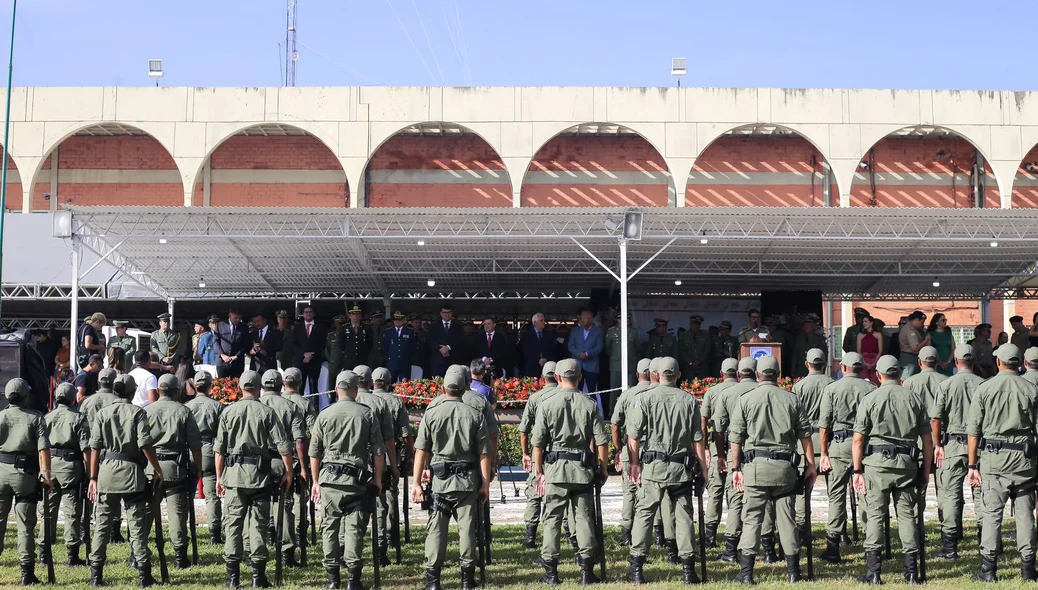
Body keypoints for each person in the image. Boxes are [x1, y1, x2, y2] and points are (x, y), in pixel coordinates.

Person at [728, 355, 817, 584]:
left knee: (752, 519)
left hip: (756, 469)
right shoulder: (791, 399)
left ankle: (746, 573)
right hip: (785, 468)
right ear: (778, 375)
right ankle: (794, 573)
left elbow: (735, 439)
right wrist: (810, 465)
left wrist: (736, 467)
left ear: (758, 374)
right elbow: (805, 435)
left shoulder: (746, 399)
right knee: (787, 520)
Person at [851, 355, 932, 585]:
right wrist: (925, 471)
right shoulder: (914, 398)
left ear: (878, 375)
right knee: (907, 515)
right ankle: (911, 573)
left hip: (877, 465)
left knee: (875, 514)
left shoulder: (871, 398)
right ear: (899, 374)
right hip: (906, 464)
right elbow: (927, 441)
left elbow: (858, 440)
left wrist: (857, 471)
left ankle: (874, 573)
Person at [626, 357, 706, 585]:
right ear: (678, 375)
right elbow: (697, 439)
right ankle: (689, 572)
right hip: (680, 468)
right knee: (683, 518)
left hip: (653, 468)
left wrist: (634, 462)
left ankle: (636, 569)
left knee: (644, 515)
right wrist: (703, 468)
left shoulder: (645, 398)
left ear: (657, 375)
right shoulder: (689, 401)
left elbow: (634, 436)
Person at [409, 365, 491, 590]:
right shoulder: (475, 414)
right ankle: (467, 580)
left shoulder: (432, 412)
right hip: (467, 481)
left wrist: (416, 483)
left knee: (436, 530)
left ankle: (433, 580)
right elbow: (484, 453)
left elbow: (421, 452)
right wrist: (485, 483)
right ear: (466, 387)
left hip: (440, 481)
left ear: (443, 387)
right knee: (467, 529)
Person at [214, 370, 294, 588]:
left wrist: (219, 477)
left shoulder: (228, 412)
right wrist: (289, 471)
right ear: (259, 388)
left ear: (240, 388)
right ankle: (258, 577)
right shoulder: (267, 412)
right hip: (259, 477)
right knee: (258, 525)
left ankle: (233, 578)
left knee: (233, 525)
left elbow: (219, 450)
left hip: (233, 477)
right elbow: (284, 446)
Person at [532, 358, 609, 585]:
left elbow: (538, 445)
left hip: (555, 470)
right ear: (580, 378)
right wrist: (603, 467)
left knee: (552, 519)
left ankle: (551, 574)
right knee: (584, 519)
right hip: (582, 470)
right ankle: (586, 571)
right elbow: (601, 442)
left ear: (557, 377)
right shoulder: (589, 403)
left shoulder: (546, 403)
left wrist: (540, 472)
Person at [966, 343, 1038, 582]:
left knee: (991, 515)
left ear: (999, 362)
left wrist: (972, 465)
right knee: (1026, 515)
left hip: (994, 461)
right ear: (1020, 363)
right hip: (1024, 460)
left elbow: (974, 431)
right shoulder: (1032, 389)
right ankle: (1028, 570)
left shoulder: (985, 388)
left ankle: (989, 571)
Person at [87, 370, 164, 587]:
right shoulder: (138, 413)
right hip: (131, 472)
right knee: (137, 526)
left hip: (106, 473)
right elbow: (145, 444)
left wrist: (92, 478)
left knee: (102, 525)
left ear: (113, 390)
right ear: (132, 392)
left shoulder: (102, 413)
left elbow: (95, 448)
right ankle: (144, 576)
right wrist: (157, 468)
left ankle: (96, 576)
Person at [309, 369, 385, 590]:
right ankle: (353, 579)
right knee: (354, 528)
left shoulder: (325, 414)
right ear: (355, 390)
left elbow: (315, 452)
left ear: (335, 389)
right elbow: (378, 451)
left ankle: (332, 579)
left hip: (330, 480)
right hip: (356, 482)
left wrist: (315, 481)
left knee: (330, 527)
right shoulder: (367, 414)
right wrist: (378, 479)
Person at [818, 352, 876, 564]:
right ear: (862, 368)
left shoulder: (832, 389)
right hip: (865, 445)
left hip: (840, 446)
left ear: (843, 368)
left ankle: (833, 546)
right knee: (866, 494)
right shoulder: (871, 389)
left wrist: (824, 453)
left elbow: (824, 426)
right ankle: (872, 542)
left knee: (836, 495)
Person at [929, 344, 984, 561]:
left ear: (955, 361)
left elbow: (936, 418)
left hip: (952, 444)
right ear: (974, 361)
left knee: (950, 495)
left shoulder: (946, 385)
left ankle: (950, 548)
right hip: (978, 446)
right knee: (981, 496)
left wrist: (938, 445)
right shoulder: (984, 384)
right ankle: (986, 543)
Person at [145, 374, 203, 570]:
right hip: (176, 467)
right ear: (176, 390)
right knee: (177, 513)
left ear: (159, 390)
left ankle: (139, 553)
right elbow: (195, 445)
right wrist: (197, 470)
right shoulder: (184, 411)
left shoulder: (146, 411)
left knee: (145, 514)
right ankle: (180, 556)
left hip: (151, 468)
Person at [0, 378, 51, 585]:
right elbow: (43, 450)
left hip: (1, 473)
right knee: (25, 525)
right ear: (25, 396)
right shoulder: (36, 418)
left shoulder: (1, 416)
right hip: (25, 475)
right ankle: (26, 572)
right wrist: (47, 476)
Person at [258, 370, 308, 568]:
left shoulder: (255, 405)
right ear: (281, 386)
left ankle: (257, 546)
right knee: (285, 506)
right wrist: (303, 467)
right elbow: (299, 440)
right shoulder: (291, 406)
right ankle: (287, 552)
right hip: (282, 460)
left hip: (257, 462)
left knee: (257, 504)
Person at [713, 356, 759, 564]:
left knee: (736, 500)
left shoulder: (726, 393)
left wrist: (722, 455)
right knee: (763, 501)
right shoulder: (765, 392)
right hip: (760, 452)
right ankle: (767, 549)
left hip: (737, 452)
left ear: (739, 374)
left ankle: (731, 550)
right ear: (756, 373)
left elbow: (719, 429)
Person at [354, 365, 398, 567]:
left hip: (353, 465)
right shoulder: (380, 403)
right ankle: (379, 551)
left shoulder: (344, 402)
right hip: (377, 463)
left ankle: (352, 551)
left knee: (354, 509)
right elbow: (388, 438)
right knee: (380, 507)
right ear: (370, 382)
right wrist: (393, 465)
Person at [41, 382, 88, 567]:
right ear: (71, 399)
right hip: (70, 466)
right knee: (72, 511)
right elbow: (86, 448)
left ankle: (44, 554)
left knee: (47, 511)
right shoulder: (78, 418)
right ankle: (72, 555)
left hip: (50, 465)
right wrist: (90, 473)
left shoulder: (47, 417)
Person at [609, 358, 652, 547]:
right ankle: (657, 533)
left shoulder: (627, 395)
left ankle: (626, 533)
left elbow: (615, 425)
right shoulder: (658, 393)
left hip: (631, 447)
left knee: (630, 491)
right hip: (653, 449)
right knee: (653, 492)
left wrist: (620, 449)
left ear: (637, 375)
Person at [372, 367, 413, 563]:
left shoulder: (363, 400)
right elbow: (405, 433)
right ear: (389, 383)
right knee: (389, 497)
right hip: (390, 455)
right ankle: (390, 534)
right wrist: (410, 454)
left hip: (369, 456)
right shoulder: (395, 402)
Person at [792, 348, 833, 533]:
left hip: (805, 444)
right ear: (824, 364)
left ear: (807, 364)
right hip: (829, 443)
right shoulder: (833, 384)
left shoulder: (799, 387)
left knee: (802, 492)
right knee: (835, 492)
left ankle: (802, 529)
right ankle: (837, 531)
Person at [518, 361, 558, 549]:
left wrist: (525, 453)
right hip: (560, 453)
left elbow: (524, 430)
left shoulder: (535, 398)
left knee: (534, 493)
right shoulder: (567, 396)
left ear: (543, 378)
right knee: (559, 493)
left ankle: (530, 536)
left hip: (538, 452)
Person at [701, 357, 739, 547]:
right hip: (738, 447)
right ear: (738, 373)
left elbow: (703, 420)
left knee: (715, 491)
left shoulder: (712, 392)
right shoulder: (743, 390)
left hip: (717, 446)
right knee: (735, 492)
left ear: (721, 374)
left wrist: (705, 447)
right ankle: (734, 533)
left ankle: (710, 536)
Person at [185, 370, 224, 545]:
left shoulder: (187, 407)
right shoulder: (218, 406)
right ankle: (214, 534)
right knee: (212, 494)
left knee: (184, 494)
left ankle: (182, 530)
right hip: (209, 450)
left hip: (190, 451)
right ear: (210, 386)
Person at [568, 309, 605, 410]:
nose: (582, 320)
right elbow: (570, 346)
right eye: (581, 318)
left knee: (592, 391)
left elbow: (599, 347)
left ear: (590, 319)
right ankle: (575, 410)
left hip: (591, 365)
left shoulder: (598, 331)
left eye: (584, 318)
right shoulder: (575, 331)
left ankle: (593, 412)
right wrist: (579, 354)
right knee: (576, 390)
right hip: (578, 365)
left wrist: (588, 354)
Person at [904, 346, 949, 419]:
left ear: (919, 361)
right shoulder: (947, 381)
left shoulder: (908, 382)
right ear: (937, 362)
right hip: (941, 426)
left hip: (919, 427)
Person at [605, 312, 640, 405]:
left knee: (631, 388)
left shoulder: (633, 332)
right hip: (616, 364)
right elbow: (607, 348)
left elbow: (637, 347)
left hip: (630, 363)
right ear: (618, 320)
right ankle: (611, 410)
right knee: (614, 388)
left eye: (627, 319)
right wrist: (615, 357)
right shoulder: (612, 331)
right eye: (623, 319)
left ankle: (631, 408)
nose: (626, 321)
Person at [293, 306, 327, 399]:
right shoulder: (297, 327)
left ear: (313, 314)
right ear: (303, 314)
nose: (308, 314)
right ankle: (300, 408)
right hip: (301, 361)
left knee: (314, 386)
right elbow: (294, 344)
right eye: (306, 312)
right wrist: (304, 354)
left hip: (314, 361)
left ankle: (315, 409)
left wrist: (312, 355)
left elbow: (322, 343)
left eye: (310, 312)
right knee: (300, 386)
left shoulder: (320, 327)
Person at [428, 304, 466, 378]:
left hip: (453, 360)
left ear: (452, 313)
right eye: (444, 312)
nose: (447, 314)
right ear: (441, 313)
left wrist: (448, 347)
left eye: (449, 312)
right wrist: (441, 349)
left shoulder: (458, 327)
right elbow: (431, 340)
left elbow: (460, 340)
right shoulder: (434, 326)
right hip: (438, 361)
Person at [213, 308, 250, 379]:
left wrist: (237, 356)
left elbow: (246, 344)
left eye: (239, 318)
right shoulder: (220, 325)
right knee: (221, 385)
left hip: (237, 362)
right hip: (222, 362)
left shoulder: (244, 327)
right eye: (236, 318)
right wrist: (222, 355)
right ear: (229, 315)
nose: (238, 320)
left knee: (237, 385)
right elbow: (215, 342)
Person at [520, 313, 558, 378]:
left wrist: (546, 359)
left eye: (544, 320)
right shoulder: (527, 335)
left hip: (546, 369)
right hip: (532, 368)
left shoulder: (548, 335)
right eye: (541, 320)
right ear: (534, 323)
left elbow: (552, 350)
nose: (544, 322)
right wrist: (538, 360)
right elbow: (526, 351)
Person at [383, 311, 417, 383]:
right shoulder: (388, 332)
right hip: (392, 363)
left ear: (404, 320)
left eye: (400, 319)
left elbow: (413, 347)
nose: (397, 321)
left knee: (404, 385)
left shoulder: (410, 332)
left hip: (405, 363)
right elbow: (385, 348)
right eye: (395, 319)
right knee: (390, 384)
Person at [678, 314, 712, 383]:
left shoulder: (705, 335)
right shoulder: (684, 336)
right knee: (689, 387)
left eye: (699, 324)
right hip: (689, 368)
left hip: (702, 367)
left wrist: (699, 360)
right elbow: (682, 351)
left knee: (703, 386)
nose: (697, 326)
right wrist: (691, 362)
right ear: (690, 324)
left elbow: (707, 349)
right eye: (695, 324)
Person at [898, 311, 931, 378]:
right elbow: (915, 347)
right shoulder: (910, 330)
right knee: (908, 379)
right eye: (922, 322)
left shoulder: (914, 329)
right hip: (909, 358)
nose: (923, 324)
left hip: (911, 358)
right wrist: (926, 340)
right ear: (916, 320)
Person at [857, 315, 883, 385]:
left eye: (865, 321)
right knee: (863, 382)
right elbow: (859, 351)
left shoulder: (878, 335)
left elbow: (880, 350)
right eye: (863, 322)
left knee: (875, 382)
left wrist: (874, 363)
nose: (864, 323)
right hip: (864, 360)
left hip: (875, 360)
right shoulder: (860, 335)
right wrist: (865, 363)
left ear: (871, 323)